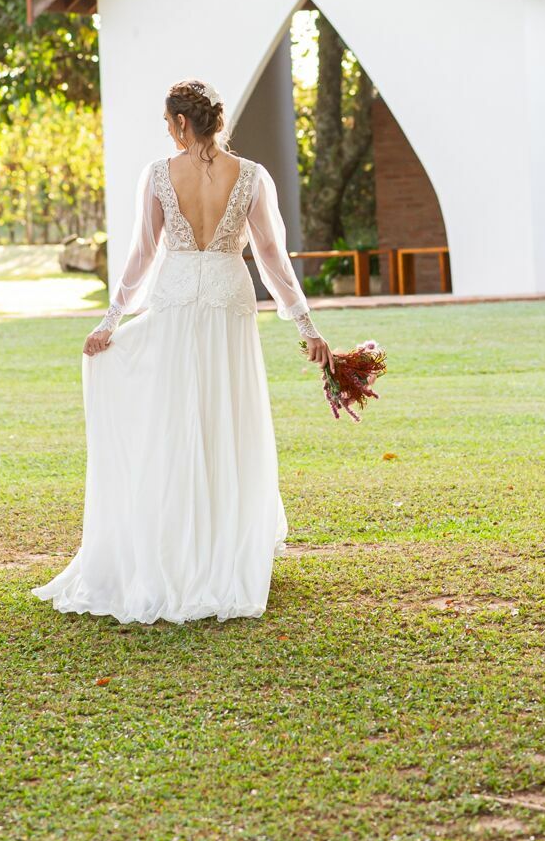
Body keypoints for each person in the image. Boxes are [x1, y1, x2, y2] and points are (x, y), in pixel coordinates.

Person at [33, 77, 334, 625]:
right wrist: (305, 324)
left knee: (172, 421)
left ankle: (181, 546)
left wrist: (110, 320)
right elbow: (270, 255)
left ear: (180, 123)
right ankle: (220, 547)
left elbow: (142, 255)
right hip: (227, 300)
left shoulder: (158, 174)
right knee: (227, 421)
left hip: (176, 300)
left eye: (167, 122)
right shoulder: (252, 177)